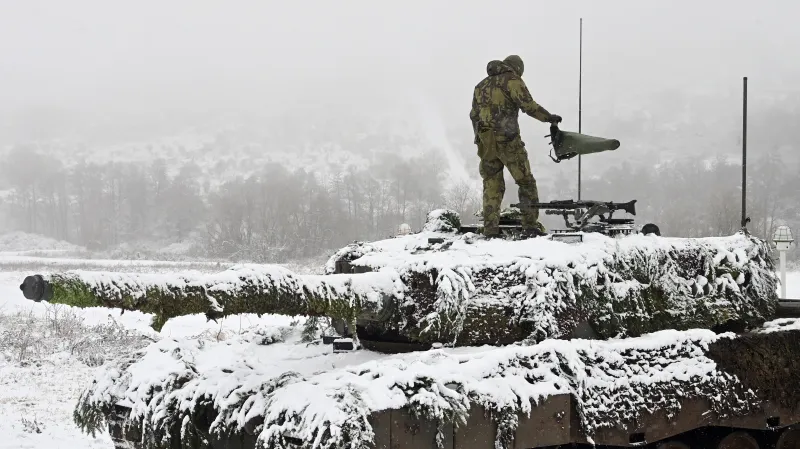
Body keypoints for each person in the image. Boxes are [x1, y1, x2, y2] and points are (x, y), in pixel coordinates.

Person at [469, 54, 562, 238]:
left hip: (486, 142)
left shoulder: (480, 86)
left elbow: (474, 115)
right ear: (517, 69)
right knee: (526, 181)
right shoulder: (512, 80)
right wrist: (549, 117)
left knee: (491, 185)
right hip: (508, 140)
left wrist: (480, 138)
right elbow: (528, 106)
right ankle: (529, 226)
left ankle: (490, 230)